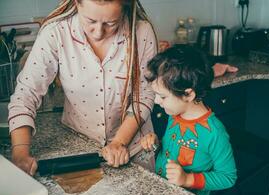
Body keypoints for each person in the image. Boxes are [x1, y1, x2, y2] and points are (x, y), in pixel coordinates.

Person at [8, 0, 237, 176]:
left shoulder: (141, 31)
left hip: (134, 149)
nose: (98, 32)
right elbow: (26, 93)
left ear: (126, 8)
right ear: (76, 3)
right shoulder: (55, 34)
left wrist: (119, 142)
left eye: (110, 23)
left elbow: (144, 93)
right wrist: (20, 153)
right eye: (90, 21)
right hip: (79, 146)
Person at [141, 45, 237, 195]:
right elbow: (172, 149)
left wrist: (187, 179)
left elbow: (228, 177)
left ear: (188, 94)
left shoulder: (215, 133)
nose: (157, 101)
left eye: (163, 96)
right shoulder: (175, 114)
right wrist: (156, 143)